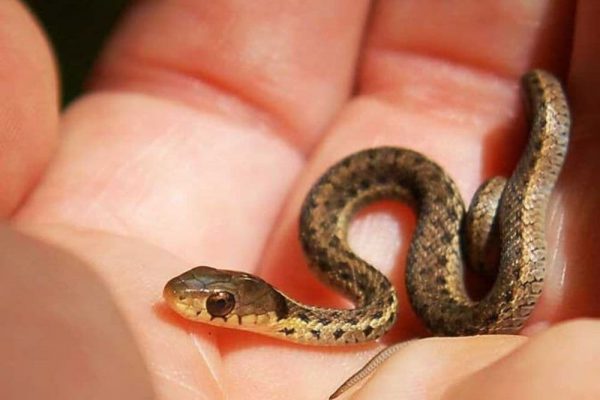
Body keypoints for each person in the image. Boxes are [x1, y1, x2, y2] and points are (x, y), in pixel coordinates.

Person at [1, 1, 598, 399]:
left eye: (219, 303)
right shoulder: (354, 291)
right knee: (493, 202)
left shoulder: (374, 303)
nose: (201, 306)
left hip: (467, 269)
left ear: (254, 309)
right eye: (216, 299)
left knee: (499, 196)